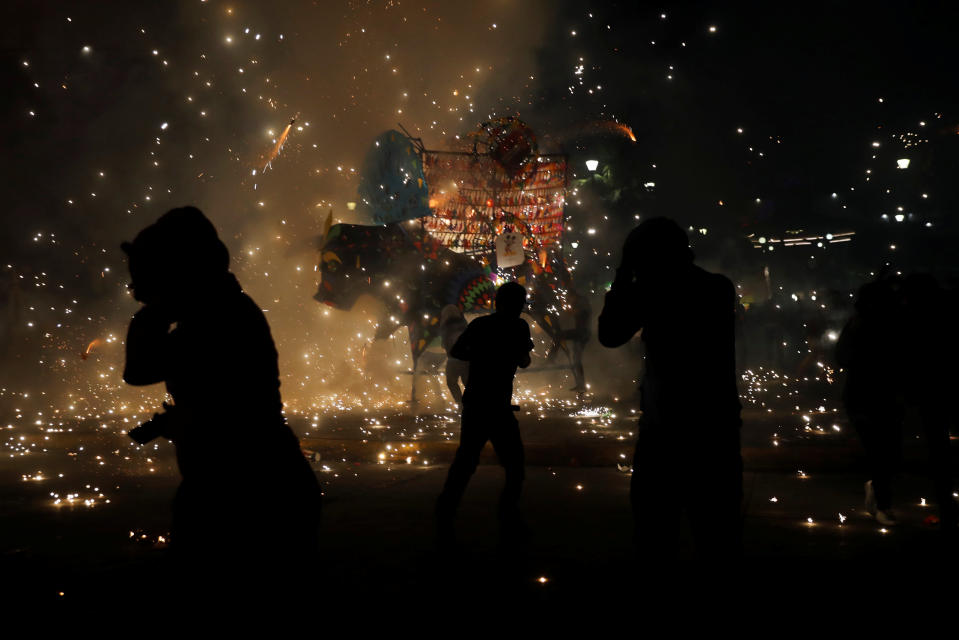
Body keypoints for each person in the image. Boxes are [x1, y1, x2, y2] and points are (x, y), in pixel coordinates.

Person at [121, 207, 321, 599]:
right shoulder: (218, 314)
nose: (139, 294)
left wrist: (153, 313)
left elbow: (140, 369)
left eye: (148, 282)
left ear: (181, 272)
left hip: (247, 501)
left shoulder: (217, 322)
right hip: (255, 490)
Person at [598, 218, 743, 566]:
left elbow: (609, 334)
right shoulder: (718, 287)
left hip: (665, 431)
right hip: (716, 428)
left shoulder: (651, 291)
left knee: (655, 538)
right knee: (717, 538)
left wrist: (623, 276)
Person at [435, 282, 534, 545]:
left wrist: (480, 352)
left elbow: (457, 351)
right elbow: (525, 361)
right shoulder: (519, 327)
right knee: (514, 465)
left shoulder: (480, 325)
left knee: (466, 463)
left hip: (479, 405)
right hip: (496, 407)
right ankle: (506, 513)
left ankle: (445, 511)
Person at [836, 275, 905, 526]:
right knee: (880, 451)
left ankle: (877, 489)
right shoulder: (857, 325)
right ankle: (883, 505)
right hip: (863, 396)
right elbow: (841, 357)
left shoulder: (897, 324)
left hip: (887, 396)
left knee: (891, 452)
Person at [439, 304, 470, 406]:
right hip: (466, 359)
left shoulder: (446, 327)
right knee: (467, 382)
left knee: (451, 382)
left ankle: (461, 404)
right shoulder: (463, 324)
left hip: (454, 360)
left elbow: (444, 344)